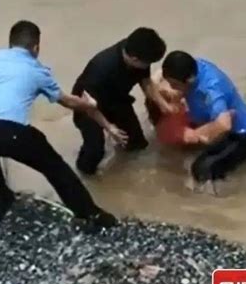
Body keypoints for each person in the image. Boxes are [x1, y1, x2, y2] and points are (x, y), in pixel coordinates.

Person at [0, 20, 118, 230]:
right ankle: (89, 214)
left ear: (11, 43)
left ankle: (0, 196)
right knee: (55, 167)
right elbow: (67, 101)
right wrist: (89, 104)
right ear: (36, 47)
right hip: (11, 135)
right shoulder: (37, 70)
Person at [72, 28, 173, 175]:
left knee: (137, 143)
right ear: (134, 59)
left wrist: (163, 105)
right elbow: (88, 104)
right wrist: (109, 127)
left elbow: (146, 81)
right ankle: (85, 178)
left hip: (116, 99)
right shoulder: (101, 68)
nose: (149, 66)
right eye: (148, 63)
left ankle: (123, 169)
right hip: (87, 106)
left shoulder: (139, 51)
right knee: (95, 150)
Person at [160, 51, 246, 182]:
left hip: (239, 136)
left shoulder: (211, 92)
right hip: (221, 114)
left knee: (200, 170)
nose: (171, 88)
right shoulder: (194, 65)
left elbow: (224, 125)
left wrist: (194, 135)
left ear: (189, 79)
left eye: (174, 84)